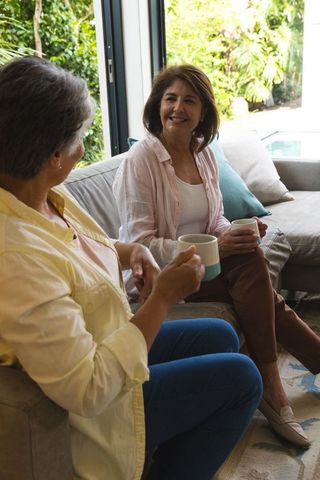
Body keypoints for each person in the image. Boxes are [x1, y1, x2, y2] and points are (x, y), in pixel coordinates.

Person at [0, 56, 262, 480]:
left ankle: (172, 443)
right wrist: (163, 298)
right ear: (51, 155)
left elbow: (85, 247)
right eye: (79, 140)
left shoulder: (48, 198)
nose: (83, 150)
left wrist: (130, 253)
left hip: (111, 330)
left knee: (222, 333)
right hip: (98, 409)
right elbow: (87, 389)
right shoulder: (14, 257)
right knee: (242, 378)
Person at [113, 63, 320, 449]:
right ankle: (274, 391)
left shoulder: (202, 153)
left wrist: (233, 232)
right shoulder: (140, 161)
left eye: (189, 100)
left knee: (251, 258)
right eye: (170, 98)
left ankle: (278, 387)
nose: (177, 108)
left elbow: (215, 218)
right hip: (163, 278)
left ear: (203, 112)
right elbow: (140, 242)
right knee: (258, 283)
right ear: (157, 105)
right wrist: (214, 248)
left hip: (207, 269)